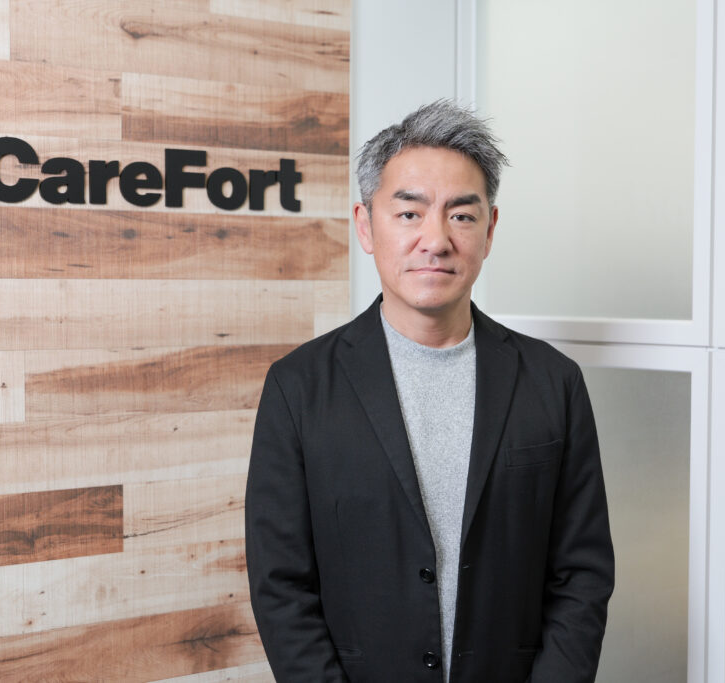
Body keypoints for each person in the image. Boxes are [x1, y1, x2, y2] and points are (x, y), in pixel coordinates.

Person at [245, 100, 614, 683]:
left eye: (461, 215)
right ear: (365, 226)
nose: (436, 240)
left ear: (489, 230)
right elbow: (281, 585)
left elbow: (582, 574)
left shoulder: (553, 381)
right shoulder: (299, 388)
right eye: (409, 213)